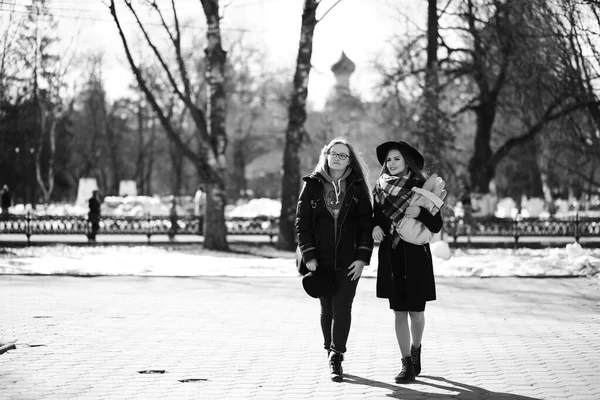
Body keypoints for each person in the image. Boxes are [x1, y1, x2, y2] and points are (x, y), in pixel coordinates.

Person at [295, 137, 374, 382]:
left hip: (349, 259)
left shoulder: (358, 185)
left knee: (343, 306)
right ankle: (329, 347)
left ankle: (337, 355)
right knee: (327, 306)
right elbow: (302, 222)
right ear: (326, 155)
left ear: (349, 160)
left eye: (343, 155)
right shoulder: (312, 184)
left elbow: (366, 225)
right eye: (334, 153)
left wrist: (362, 258)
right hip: (320, 259)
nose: (338, 158)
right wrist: (308, 255)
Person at [371, 140, 443, 384]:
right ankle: (406, 364)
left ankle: (416, 349)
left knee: (417, 312)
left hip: (416, 257)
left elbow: (436, 226)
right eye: (388, 160)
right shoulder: (379, 189)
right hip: (391, 257)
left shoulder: (422, 190)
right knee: (399, 311)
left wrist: (420, 213)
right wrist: (376, 228)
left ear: (407, 162)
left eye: (396, 159)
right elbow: (375, 218)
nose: (391, 164)